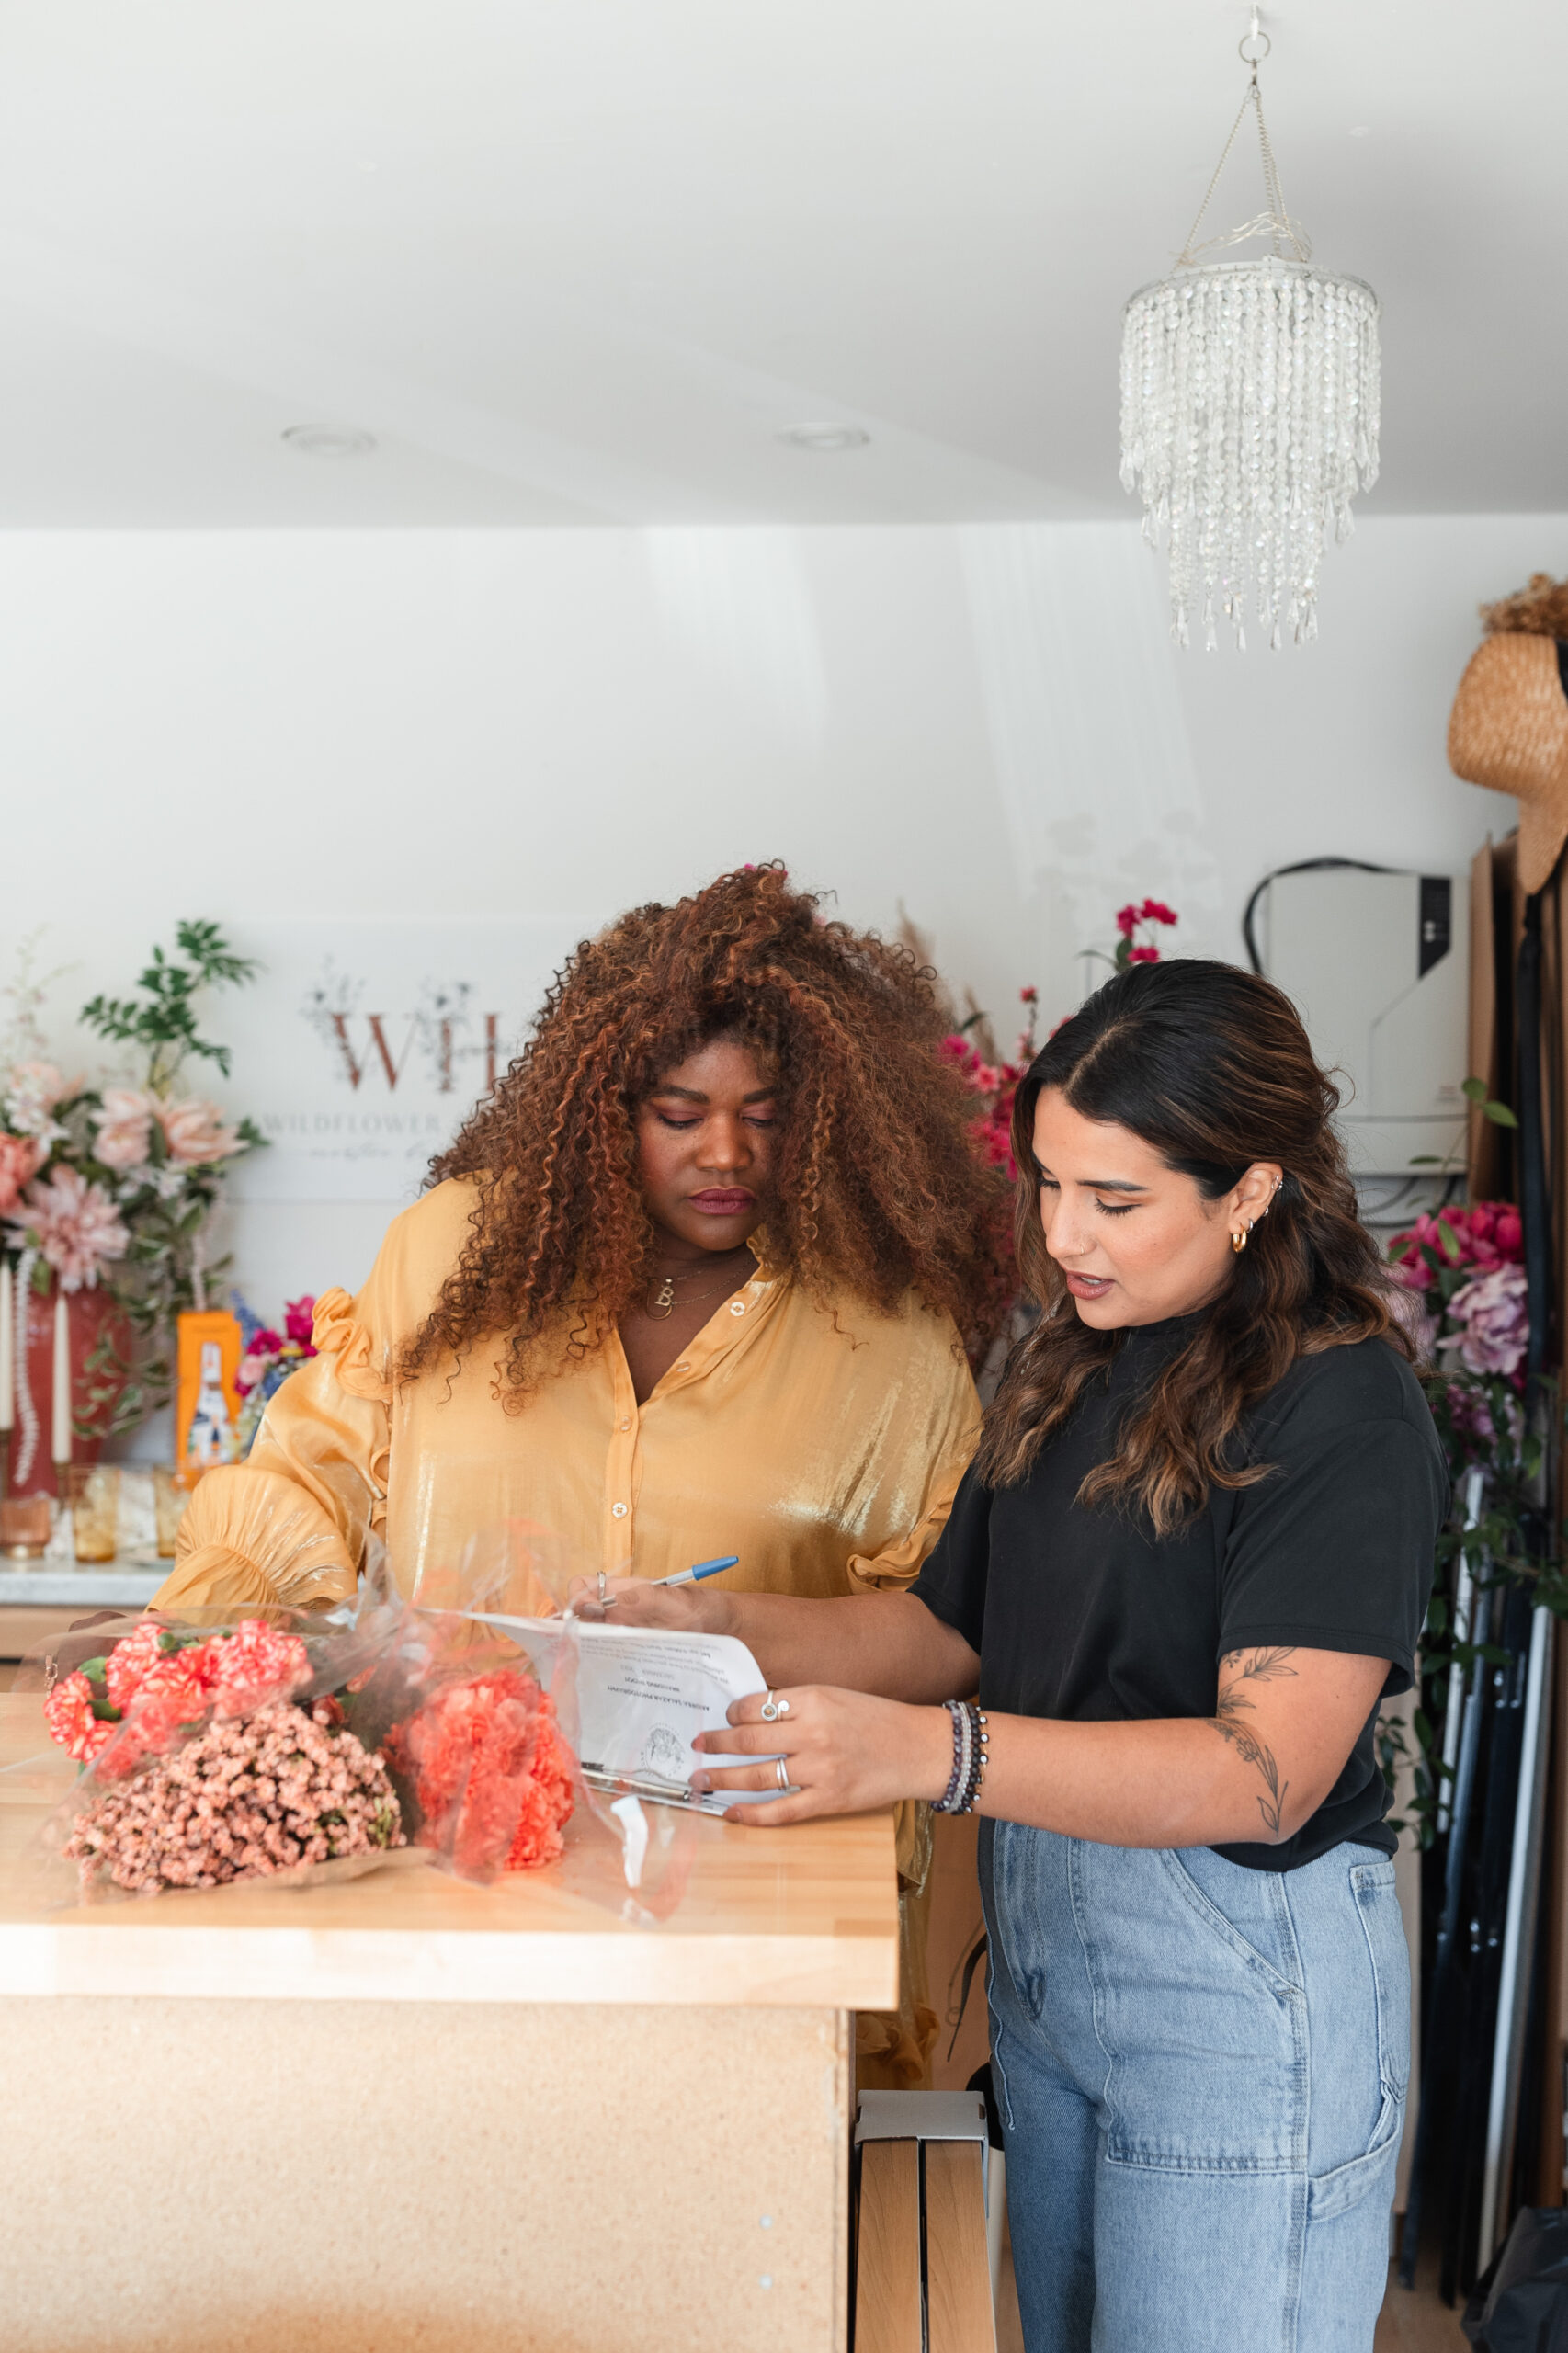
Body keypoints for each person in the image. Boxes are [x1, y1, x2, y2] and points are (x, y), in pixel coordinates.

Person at [602, 956, 1446, 2352]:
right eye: (1049, 1183)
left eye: (1116, 1201)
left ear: (1250, 1191)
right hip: (1057, 1963)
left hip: (1238, 1990)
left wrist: (929, 1756)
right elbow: (951, 1630)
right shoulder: (1071, 1357)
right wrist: (719, 1622)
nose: (1067, 1234)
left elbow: (1263, 1775)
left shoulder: (1339, 1409)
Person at [153, 861, 1006, 2083]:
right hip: (458, 1861)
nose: (727, 1152)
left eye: (766, 1113)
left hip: (749, 1903)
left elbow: (942, 1625)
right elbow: (308, 1478)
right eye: (678, 1110)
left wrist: (727, 1626)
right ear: (602, 1103)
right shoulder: (453, 1252)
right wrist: (186, 1663)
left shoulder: (887, 1340)